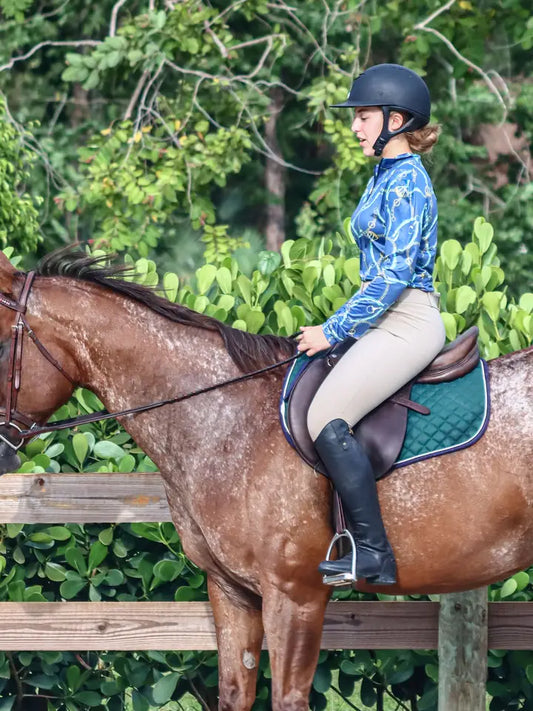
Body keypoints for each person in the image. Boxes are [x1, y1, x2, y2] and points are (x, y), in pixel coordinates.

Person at [296, 63, 446, 586]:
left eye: (363, 116)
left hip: (408, 319)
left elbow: (395, 275)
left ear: (396, 119)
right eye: (356, 117)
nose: (355, 127)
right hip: (386, 318)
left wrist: (332, 331)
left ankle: (374, 554)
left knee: (325, 416)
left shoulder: (405, 182)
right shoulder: (385, 174)